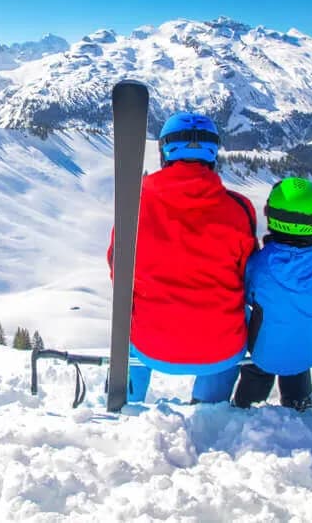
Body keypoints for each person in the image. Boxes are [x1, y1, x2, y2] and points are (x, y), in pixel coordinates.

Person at [107, 112, 257, 404]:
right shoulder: (239, 209)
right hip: (221, 350)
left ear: (164, 151)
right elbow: (248, 276)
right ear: (213, 152)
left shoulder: (134, 202)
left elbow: (119, 271)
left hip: (151, 344)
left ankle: (127, 401)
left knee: (126, 315)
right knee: (242, 314)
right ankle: (210, 407)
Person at [232, 177, 312, 411]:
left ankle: (245, 406)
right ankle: (299, 401)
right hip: (307, 353)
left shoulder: (257, 264)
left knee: (263, 349)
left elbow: (247, 295)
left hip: (261, 353)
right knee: (294, 352)